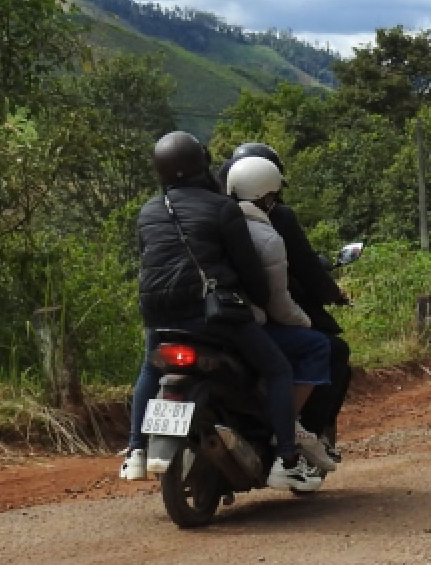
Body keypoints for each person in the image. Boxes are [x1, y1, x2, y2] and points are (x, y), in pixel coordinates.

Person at [120, 131, 322, 492]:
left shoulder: (149, 210)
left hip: (158, 314)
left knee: (150, 367)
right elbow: (249, 271)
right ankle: (287, 461)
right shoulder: (222, 208)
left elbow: (147, 260)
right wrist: (259, 303)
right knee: (277, 368)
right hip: (211, 315)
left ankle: (135, 449)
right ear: (202, 164)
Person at [220, 142, 351, 463]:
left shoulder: (215, 211)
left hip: (211, 315)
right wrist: (329, 297)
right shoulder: (275, 222)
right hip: (262, 316)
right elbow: (301, 272)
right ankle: (298, 434)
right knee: (330, 350)